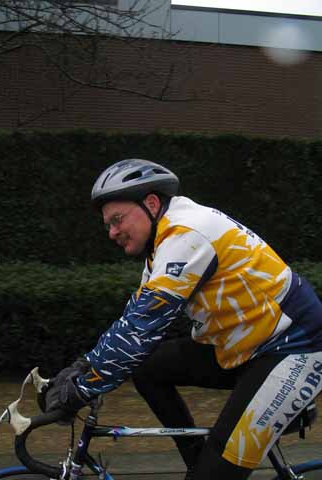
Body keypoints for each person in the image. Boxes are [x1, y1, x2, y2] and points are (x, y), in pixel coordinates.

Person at [43, 159, 322, 479]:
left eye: (117, 220)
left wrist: (80, 390)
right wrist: (84, 367)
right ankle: (199, 462)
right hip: (246, 343)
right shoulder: (162, 243)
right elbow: (132, 322)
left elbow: (139, 332)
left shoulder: (186, 234)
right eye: (108, 225)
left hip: (293, 346)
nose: (112, 232)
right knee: (149, 369)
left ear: (150, 203)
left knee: (214, 467)